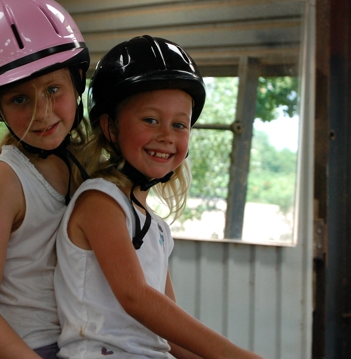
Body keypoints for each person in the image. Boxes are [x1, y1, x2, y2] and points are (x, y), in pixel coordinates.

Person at [54, 35, 263, 359]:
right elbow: (135, 297)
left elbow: (168, 333)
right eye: (150, 120)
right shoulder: (100, 202)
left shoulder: (156, 228)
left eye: (179, 124)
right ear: (110, 127)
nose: (166, 135)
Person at [0, 0, 90, 359]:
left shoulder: (84, 168)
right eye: (20, 99)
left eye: (53, 89)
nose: (42, 113)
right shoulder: (4, 179)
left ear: (77, 82)